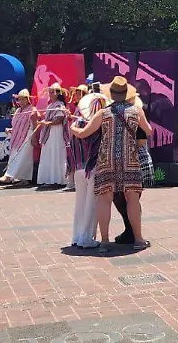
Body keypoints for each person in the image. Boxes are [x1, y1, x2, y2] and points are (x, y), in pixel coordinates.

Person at [91, 77, 152, 253]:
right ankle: (138, 240)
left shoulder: (103, 113)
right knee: (132, 199)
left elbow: (85, 132)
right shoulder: (136, 110)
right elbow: (148, 131)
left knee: (105, 199)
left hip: (107, 160)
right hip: (130, 159)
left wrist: (73, 129)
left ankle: (104, 241)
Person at [68, 85, 107, 249]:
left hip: (78, 166)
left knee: (80, 203)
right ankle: (86, 238)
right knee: (91, 204)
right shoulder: (100, 122)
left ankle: (77, 236)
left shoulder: (76, 122)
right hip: (93, 167)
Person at [113, 93, 152, 245]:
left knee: (130, 199)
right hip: (129, 160)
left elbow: (142, 138)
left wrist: (126, 149)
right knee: (124, 199)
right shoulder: (121, 113)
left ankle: (133, 232)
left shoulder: (137, 112)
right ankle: (131, 231)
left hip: (134, 160)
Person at [0, 89, 40, 185]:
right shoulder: (18, 111)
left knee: (22, 156)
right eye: (19, 99)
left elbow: (35, 125)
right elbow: (16, 125)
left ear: (28, 99)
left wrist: (34, 137)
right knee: (17, 155)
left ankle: (9, 176)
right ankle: (23, 179)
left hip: (28, 134)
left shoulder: (33, 110)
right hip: (17, 136)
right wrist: (10, 130)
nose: (21, 101)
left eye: (23, 99)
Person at [36, 83, 69, 188]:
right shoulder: (50, 105)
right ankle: (49, 178)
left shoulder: (60, 105)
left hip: (56, 131)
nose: (50, 94)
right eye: (49, 91)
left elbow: (59, 119)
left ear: (58, 93)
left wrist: (47, 123)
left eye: (52, 91)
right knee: (49, 152)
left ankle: (58, 179)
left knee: (56, 152)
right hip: (49, 131)